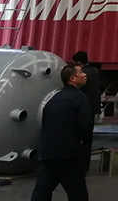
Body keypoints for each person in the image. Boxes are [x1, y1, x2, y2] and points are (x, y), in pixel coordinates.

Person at [30, 63, 91, 201]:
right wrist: (83, 146)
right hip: (69, 156)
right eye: (81, 72)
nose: (85, 74)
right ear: (72, 78)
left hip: (48, 154)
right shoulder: (80, 98)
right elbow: (85, 126)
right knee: (78, 194)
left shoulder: (54, 99)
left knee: (41, 193)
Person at [73, 51, 100, 172]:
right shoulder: (95, 71)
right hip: (92, 109)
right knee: (88, 138)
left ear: (79, 63)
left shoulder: (83, 74)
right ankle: (85, 166)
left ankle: (78, 164)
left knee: (78, 137)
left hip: (83, 109)